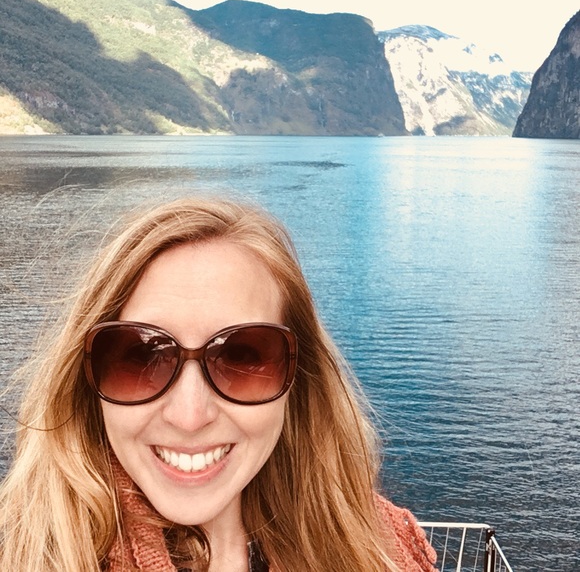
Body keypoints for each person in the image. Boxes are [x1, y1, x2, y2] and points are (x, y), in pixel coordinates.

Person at [0, 197, 437, 571]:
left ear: (298, 380)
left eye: (243, 356)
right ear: (86, 377)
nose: (190, 416)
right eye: (140, 356)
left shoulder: (379, 547)